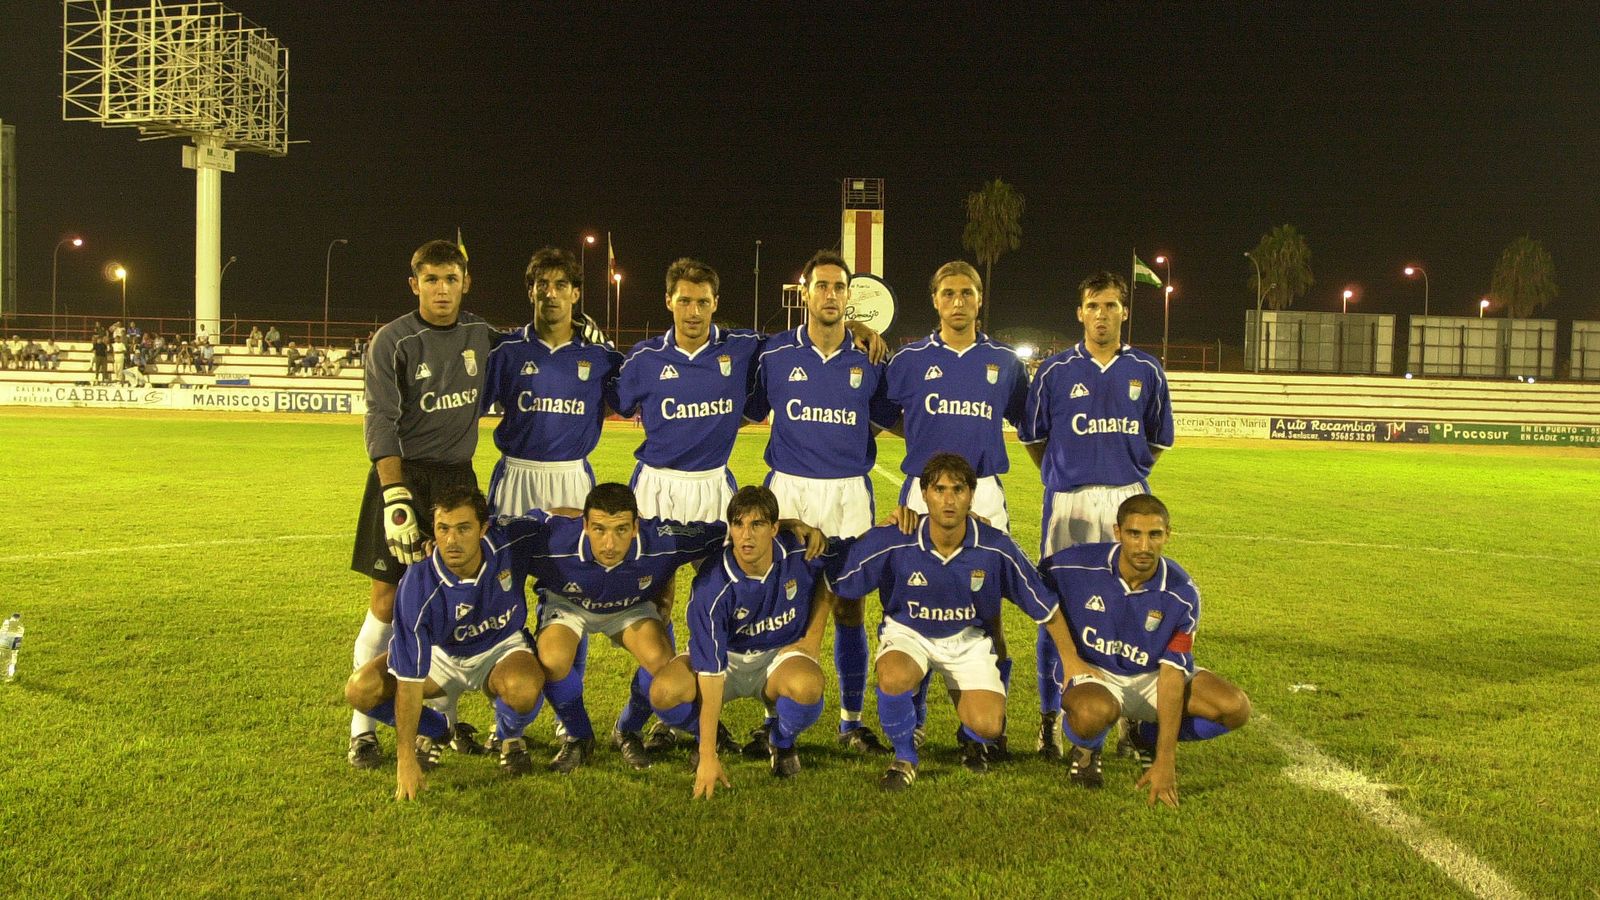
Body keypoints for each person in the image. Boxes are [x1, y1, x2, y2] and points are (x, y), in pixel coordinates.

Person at [829, 453, 1085, 790]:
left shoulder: (995, 546)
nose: (949, 500)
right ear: (924, 494)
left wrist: (1072, 662)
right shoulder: (895, 538)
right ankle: (905, 757)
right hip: (910, 635)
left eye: (958, 490)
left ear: (971, 494)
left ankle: (971, 738)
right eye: (939, 489)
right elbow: (837, 577)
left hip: (968, 640)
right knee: (892, 676)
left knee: (989, 726)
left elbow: (1045, 607)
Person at [346, 238, 499, 770]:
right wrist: (394, 496)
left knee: (454, 597)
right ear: (414, 285)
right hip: (403, 478)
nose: (441, 289)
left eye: (450, 278)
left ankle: (445, 726)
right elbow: (380, 420)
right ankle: (362, 730)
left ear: (466, 282)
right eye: (431, 279)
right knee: (386, 603)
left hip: (457, 479)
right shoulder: (393, 340)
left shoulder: (482, 335)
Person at [747, 249, 898, 755]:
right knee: (781, 605)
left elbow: (883, 419)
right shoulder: (772, 354)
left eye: (840, 288)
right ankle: (771, 717)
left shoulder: (870, 359)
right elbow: (747, 409)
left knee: (850, 610)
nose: (831, 295)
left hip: (848, 494)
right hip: (789, 490)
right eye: (822, 286)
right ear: (804, 292)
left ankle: (851, 722)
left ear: (848, 296)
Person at [1020, 271, 1174, 759]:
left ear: (1124, 312)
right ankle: (1048, 719)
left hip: (1126, 497)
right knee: (1056, 608)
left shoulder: (1147, 371)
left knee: (1129, 607)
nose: (1102, 314)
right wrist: (1065, 476)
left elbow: (1156, 441)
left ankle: (1131, 720)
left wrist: (1123, 471)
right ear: (1079, 312)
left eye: (1111, 305)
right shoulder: (1054, 370)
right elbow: (1033, 439)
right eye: (1093, 305)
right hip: (1068, 501)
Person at [1038, 494, 1250, 806]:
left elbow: (1171, 673)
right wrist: (1069, 658)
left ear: (1167, 535)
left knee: (1235, 708)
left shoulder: (1182, 593)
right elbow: (1030, 590)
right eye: (1134, 534)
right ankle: (1087, 748)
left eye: (1154, 535)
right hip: (1095, 675)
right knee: (1092, 713)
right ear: (1118, 532)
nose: (1143, 546)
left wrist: (1166, 759)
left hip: (1153, 676)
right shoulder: (1073, 565)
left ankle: (1145, 736)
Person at [343, 486, 548, 797]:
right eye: (443, 529)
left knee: (523, 687)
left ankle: (509, 736)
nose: (451, 540)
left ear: (484, 529)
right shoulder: (417, 585)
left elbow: (556, 524)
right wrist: (406, 758)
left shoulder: (510, 540)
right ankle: (438, 729)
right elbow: (409, 681)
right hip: (441, 656)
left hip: (500, 648)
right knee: (361, 689)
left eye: (464, 528)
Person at [523, 483, 734, 772]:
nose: (609, 543)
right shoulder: (552, 537)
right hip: (569, 603)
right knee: (552, 659)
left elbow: (730, 531)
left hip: (629, 606)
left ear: (637, 526)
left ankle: (626, 730)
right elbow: (497, 534)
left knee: (662, 665)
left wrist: (784, 525)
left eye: (621, 529)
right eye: (599, 529)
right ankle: (579, 736)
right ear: (583, 524)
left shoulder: (661, 539)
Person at [648, 486, 836, 796]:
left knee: (808, 686)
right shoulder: (712, 584)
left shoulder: (799, 550)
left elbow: (836, 569)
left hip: (778, 657)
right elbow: (710, 674)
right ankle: (713, 737)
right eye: (738, 524)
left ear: (775, 528)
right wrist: (707, 754)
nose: (746, 535)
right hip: (728, 660)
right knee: (665, 692)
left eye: (757, 525)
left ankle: (781, 740)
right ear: (730, 528)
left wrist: (812, 639)